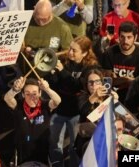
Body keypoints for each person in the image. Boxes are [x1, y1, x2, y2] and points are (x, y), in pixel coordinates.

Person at [45, 35, 99, 167]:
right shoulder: (64, 60)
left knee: (74, 147)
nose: (69, 52)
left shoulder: (90, 68)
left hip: (77, 113)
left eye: (74, 50)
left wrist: (62, 72)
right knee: (54, 144)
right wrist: (52, 73)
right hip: (59, 109)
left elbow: (78, 86)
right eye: (70, 48)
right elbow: (52, 84)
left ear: (85, 53)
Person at [4, 77, 61, 165]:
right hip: (22, 155)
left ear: (40, 93)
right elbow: (7, 99)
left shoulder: (45, 105)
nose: (32, 97)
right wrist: (15, 90)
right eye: (27, 94)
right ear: (23, 94)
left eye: (34, 93)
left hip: (42, 155)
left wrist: (47, 89)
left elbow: (57, 101)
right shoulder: (18, 105)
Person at [75, 68, 119, 157]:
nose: (94, 85)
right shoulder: (82, 97)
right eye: (90, 82)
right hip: (89, 140)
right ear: (86, 85)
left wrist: (117, 102)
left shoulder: (109, 95)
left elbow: (120, 115)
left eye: (97, 81)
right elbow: (83, 111)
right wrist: (94, 96)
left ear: (102, 82)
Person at [101, 21, 139, 103]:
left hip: (136, 98)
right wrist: (126, 79)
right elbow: (108, 82)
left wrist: (119, 80)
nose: (125, 41)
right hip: (113, 96)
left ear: (135, 38)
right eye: (122, 37)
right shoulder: (109, 53)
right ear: (119, 37)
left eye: (129, 37)